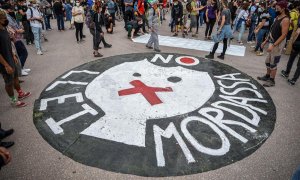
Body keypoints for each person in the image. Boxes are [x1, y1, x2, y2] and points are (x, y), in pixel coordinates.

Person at [0, 9, 31, 107]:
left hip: (10, 57)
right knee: (8, 82)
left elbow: (8, 43)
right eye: (3, 18)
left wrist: (13, 55)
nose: (5, 19)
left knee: (16, 77)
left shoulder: (3, 28)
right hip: (3, 61)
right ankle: (13, 101)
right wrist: (6, 65)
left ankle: (20, 93)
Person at [257, 0, 290, 87]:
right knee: (267, 62)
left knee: (273, 63)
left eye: (277, 8)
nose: (276, 9)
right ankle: (267, 76)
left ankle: (272, 81)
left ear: (283, 9)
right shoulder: (277, 17)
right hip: (272, 43)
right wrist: (265, 41)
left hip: (277, 45)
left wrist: (274, 45)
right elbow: (272, 31)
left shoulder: (285, 19)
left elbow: (284, 35)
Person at [281, 18, 300, 86]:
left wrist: (292, 43)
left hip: (298, 44)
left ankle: (286, 73)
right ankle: (294, 80)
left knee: (291, 58)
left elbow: (298, 32)